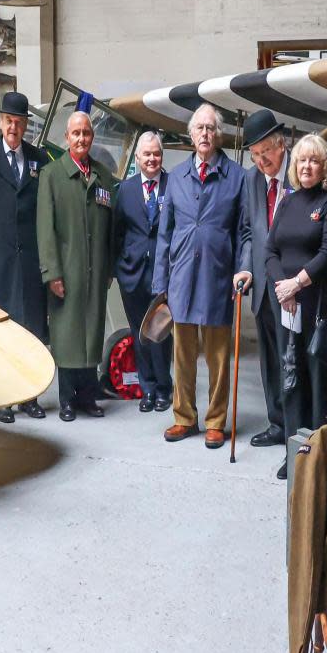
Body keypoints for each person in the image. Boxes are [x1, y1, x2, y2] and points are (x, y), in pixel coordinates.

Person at [152, 103, 251, 449]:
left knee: (219, 358)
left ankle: (215, 421)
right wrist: (160, 283)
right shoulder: (176, 178)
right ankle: (184, 417)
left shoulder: (237, 177)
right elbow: (165, 234)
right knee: (182, 355)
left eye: (211, 128)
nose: (205, 134)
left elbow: (244, 232)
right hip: (181, 278)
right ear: (191, 135)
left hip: (218, 278)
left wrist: (243, 268)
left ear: (218, 134)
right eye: (200, 129)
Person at [265, 134, 327, 479]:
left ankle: (317, 457)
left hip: (316, 306)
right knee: (290, 379)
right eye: (301, 161)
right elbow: (270, 251)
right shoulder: (287, 202)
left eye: (313, 160)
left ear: (323, 165)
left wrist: (298, 283)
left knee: (315, 380)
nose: (306, 166)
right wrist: (285, 288)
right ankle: (292, 453)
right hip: (288, 305)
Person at [0, 90, 49, 423]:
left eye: (19, 122)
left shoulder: (39, 159)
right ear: (0, 122)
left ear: (25, 125)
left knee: (31, 328)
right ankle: (3, 399)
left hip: (30, 256)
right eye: (8, 121)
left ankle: (30, 397)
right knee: (1, 330)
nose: (13, 128)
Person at [36, 111, 117, 422]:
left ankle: (87, 396)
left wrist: (108, 268)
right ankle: (67, 398)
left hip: (95, 270)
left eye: (86, 133)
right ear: (66, 138)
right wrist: (51, 273)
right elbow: (45, 230)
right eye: (76, 133)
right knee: (68, 334)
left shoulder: (103, 176)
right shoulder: (52, 175)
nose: (81, 138)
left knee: (91, 332)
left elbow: (110, 226)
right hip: (66, 271)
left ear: (91, 137)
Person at [240, 109, 291, 448]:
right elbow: (248, 231)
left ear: (282, 145)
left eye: (267, 152)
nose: (262, 161)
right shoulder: (252, 180)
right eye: (256, 155)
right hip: (262, 287)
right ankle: (276, 423)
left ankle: (297, 427)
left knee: (294, 359)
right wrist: (245, 267)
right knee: (271, 360)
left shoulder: (299, 173)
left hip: (293, 287)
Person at [113, 130, 173, 412]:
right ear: (137, 158)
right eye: (146, 154)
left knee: (161, 332)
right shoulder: (125, 189)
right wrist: (119, 268)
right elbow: (116, 232)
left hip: (164, 275)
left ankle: (164, 388)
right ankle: (147, 389)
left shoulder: (174, 185)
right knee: (140, 332)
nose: (152, 159)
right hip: (132, 274)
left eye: (156, 154)